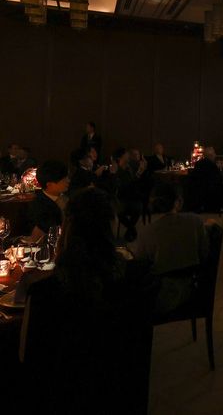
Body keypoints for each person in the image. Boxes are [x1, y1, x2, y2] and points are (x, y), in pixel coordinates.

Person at [21, 187, 155, 414]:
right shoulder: (138, 277)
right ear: (111, 225)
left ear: (68, 228)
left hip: (65, 397)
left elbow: (27, 357)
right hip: (122, 389)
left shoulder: (45, 292)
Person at [130, 183, 211, 314]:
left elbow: (141, 264)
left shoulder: (147, 232)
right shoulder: (195, 221)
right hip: (195, 289)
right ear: (178, 201)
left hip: (162, 295)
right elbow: (205, 254)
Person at [27, 160, 69, 240]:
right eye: (64, 179)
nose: (68, 181)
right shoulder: (39, 205)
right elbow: (52, 231)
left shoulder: (69, 196)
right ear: (49, 185)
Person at [187, 146, 223, 212]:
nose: (215, 155)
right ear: (211, 155)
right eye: (214, 153)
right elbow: (218, 180)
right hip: (211, 193)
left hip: (199, 193)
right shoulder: (212, 166)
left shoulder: (198, 164)